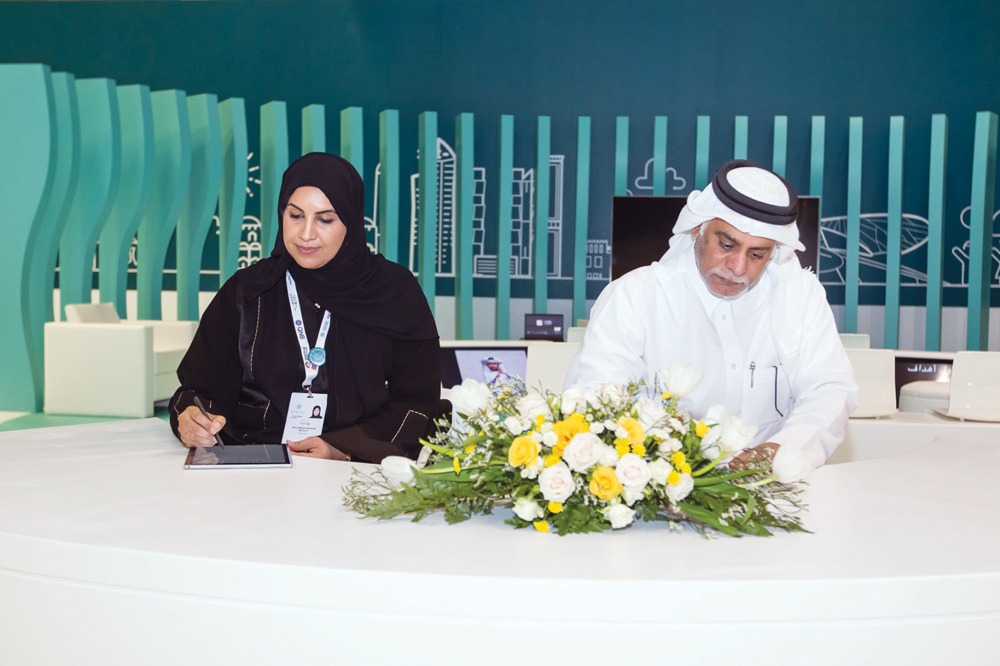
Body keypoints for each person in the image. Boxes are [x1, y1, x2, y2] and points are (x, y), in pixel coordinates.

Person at [564, 160, 857, 469]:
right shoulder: (635, 297)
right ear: (697, 227)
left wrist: (782, 451)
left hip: (772, 487)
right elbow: (592, 400)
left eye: (757, 254)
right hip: (662, 490)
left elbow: (829, 389)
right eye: (726, 244)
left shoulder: (801, 296)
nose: (738, 267)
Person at [170, 153, 443, 463]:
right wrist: (192, 417)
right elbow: (201, 388)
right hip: (258, 468)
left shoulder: (394, 293)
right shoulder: (249, 291)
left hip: (357, 472)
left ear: (351, 222)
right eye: (295, 215)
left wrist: (344, 446)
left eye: (325, 219)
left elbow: (417, 403)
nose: (306, 234)